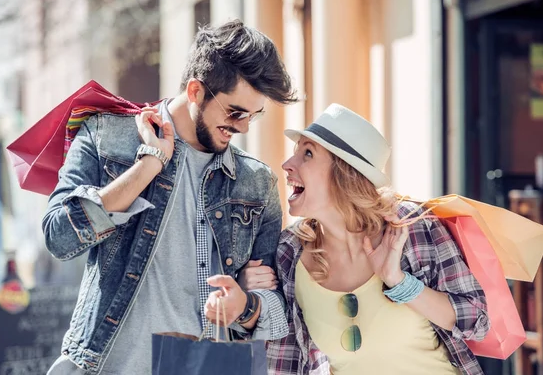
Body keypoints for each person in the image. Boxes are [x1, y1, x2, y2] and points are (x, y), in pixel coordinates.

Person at [43, 20, 295, 374]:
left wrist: (246, 305)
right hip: (105, 365)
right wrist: (149, 165)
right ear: (195, 91)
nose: (243, 127)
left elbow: (274, 307)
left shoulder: (255, 182)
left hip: (207, 366)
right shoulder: (107, 136)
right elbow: (58, 236)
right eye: (235, 112)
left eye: (253, 116)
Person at [265, 104, 490, 375]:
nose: (287, 165)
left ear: (343, 174)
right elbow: (285, 361)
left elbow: (476, 319)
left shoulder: (409, 227)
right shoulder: (289, 252)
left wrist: (400, 283)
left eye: (308, 154)